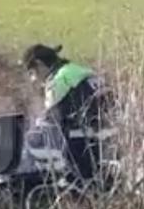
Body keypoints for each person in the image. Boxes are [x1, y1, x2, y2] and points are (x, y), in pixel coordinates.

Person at [21, 43, 113, 182]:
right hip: (109, 132)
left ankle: (79, 187)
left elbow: (49, 120)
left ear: (39, 65)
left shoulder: (58, 81)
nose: (32, 80)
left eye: (31, 74)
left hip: (88, 139)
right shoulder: (76, 70)